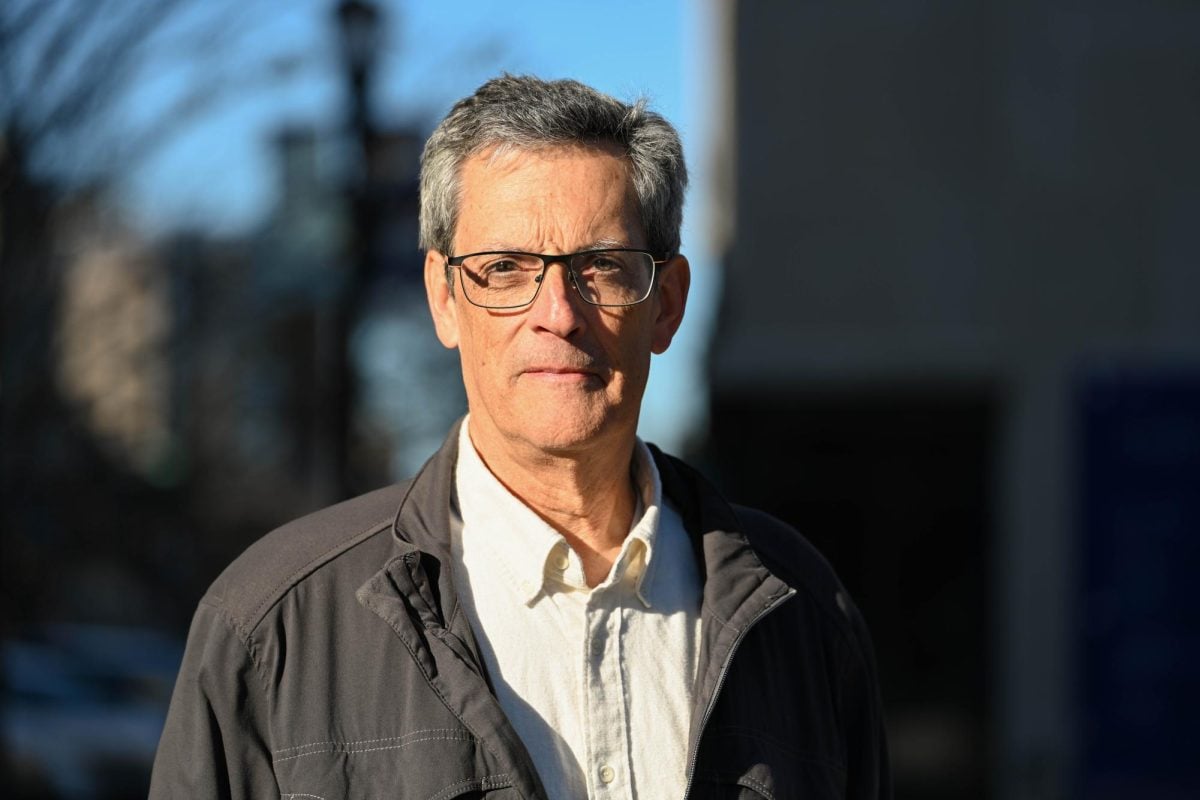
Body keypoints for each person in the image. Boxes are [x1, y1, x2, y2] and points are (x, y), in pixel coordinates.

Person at [150, 75, 890, 800]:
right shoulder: (272, 626)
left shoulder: (804, 610)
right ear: (444, 299)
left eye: (601, 267)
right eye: (504, 269)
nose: (558, 315)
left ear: (666, 304)